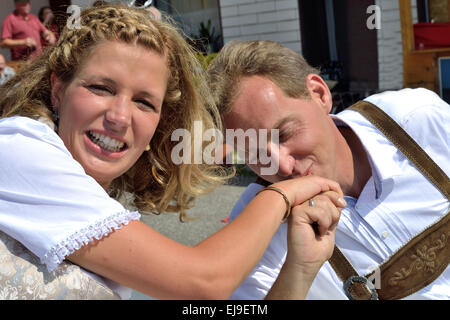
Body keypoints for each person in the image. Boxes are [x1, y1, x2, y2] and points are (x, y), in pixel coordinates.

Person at [0, 5, 344, 300]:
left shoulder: (93, 203)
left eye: (144, 102)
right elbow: (204, 282)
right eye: (101, 88)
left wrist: (300, 269)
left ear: (159, 125)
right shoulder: (18, 148)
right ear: (59, 89)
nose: (120, 117)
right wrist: (282, 193)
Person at [206, 40, 450, 299]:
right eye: (254, 153)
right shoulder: (254, 229)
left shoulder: (417, 119)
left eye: (284, 133)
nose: (283, 165)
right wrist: (298, 270)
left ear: (319, 94)